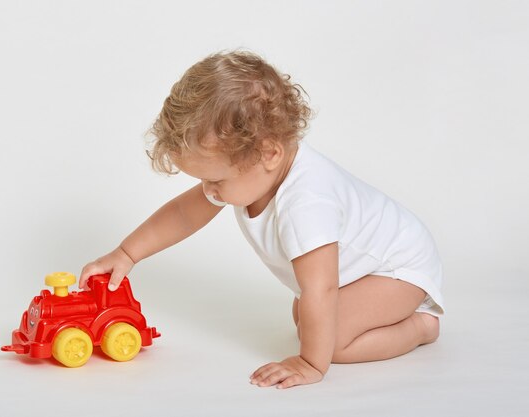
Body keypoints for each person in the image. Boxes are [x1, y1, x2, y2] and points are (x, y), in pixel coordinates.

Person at [79, 50, 444, 389]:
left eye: (216, 180)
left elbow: (322, 288)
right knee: (306, 318)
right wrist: (126, 254)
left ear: (269, 152)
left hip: (399, 267)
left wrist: (310, 363)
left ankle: (419, 326)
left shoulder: (306, 204)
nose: (210, 190)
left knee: (333, 344)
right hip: (361, 270)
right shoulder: (251, 171)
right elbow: (183, 214)